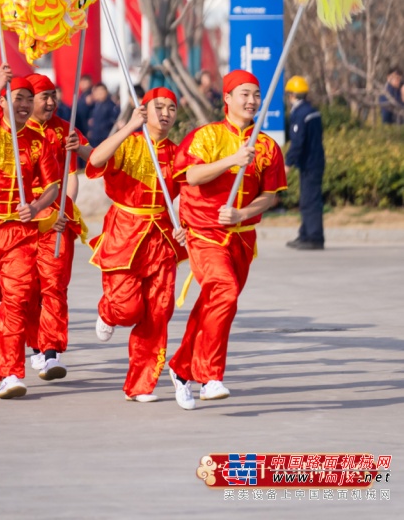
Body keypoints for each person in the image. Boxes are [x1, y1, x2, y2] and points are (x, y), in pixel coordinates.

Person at [168, 69, 287, 410]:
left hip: (242, 238)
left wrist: (242, 214)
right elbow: (191, 175)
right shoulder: (206, 136)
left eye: (255, 95)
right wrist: (232, 160)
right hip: (205, 233)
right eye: (244, 94)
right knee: (224, 290)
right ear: (227, 99)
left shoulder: (266, 146)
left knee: (218, 304)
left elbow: (271, 196)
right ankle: (210, 377)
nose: (251, 101)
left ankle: (180, 367)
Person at [0, 66, 61, 399]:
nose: (25, 104)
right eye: (18, 98)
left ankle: (11, 372)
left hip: (20, 231)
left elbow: (52, 187)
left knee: (17, 299)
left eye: (29, 100)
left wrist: (34, 207)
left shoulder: (39, 141)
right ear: (3, 101)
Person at [87, 88, 186, 403]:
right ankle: (108, 311)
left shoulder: (177, 152)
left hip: (161, 236)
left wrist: (188, 227)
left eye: (172, 107)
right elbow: (95, 160)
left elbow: (194, 191)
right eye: (159, 107)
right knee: (127, 308)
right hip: (126, 233)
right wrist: (129, 127)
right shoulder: (128, 144)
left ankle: (141, 384)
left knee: (159, 311)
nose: (166, 113)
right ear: (144, 110)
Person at [24, 73, 92, 382]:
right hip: (22, 219)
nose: (51, 102)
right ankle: (35, 343)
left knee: (54, 284)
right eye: (44, 97)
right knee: (26, 288)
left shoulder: (66, 130)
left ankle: (51, 351)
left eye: (54, 95)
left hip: (57, 219)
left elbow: (81, 171)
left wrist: (67, 205)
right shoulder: (15, 131)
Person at [284, 75, 325, 250]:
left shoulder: (300, 114)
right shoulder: (312, 111)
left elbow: (298, 142)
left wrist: (288, 163)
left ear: (293, 95)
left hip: (310, 163)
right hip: (314, 161)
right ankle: (305, 234)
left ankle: (314, 237)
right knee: (307, 199)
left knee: (310, 201)